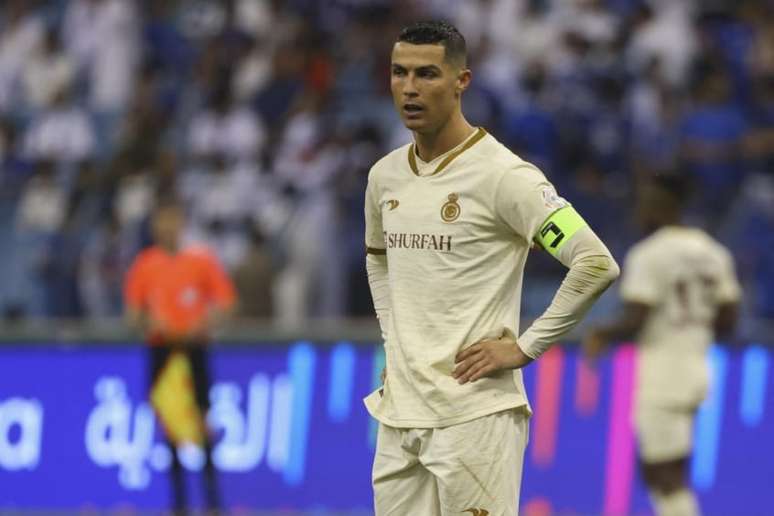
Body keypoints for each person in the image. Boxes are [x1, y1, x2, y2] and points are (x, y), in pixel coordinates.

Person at [363, 21, 620, 515]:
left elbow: (595, 262)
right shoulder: (384, 177)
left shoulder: (506, 177)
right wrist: (397, 339)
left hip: (474, 417)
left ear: (462, 82)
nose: (410, 88)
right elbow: (379, 260)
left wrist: (525, 347)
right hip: (399, 414)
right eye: (399, 73)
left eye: (427, 74)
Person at [583, 174, 741, 516]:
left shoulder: (649, 253)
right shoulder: (714, 251)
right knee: (671, 472)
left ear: (660, 205)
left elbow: (636, 318)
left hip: (663, 374)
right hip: (698, 368)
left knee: (662, 474)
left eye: (644, 203)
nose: (639, 211)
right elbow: (728, 319)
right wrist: (691, 327)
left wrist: (601, 334)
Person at [124, 198, 236, 516]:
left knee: (201, 424)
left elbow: (226, 304)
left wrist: (203, 323)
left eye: (172, 220)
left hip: (194, 349)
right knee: (170, 426)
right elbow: (132, 315)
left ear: (182, 224)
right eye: (161, 221)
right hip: (162, 351)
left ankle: (212, 502)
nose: (167, 228)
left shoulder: (200, 261)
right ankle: (179, 505)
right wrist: (150, 322)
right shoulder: (145, 264)